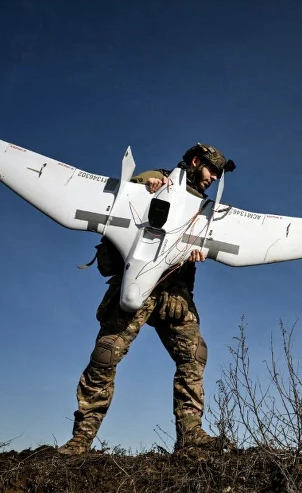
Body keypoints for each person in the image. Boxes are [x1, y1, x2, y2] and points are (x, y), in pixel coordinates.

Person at [58, 143, 235, 455]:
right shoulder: (154, 180)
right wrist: (144, 187)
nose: (214, 178)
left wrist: (198, 252)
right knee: (106, 355)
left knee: (193, 356)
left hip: (174, 295)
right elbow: (124, 199)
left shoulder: (206, 211)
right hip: (136, 285)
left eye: (219, 175)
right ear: (196, 161)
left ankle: (191, 434)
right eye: (212, 170)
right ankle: (81, 439)